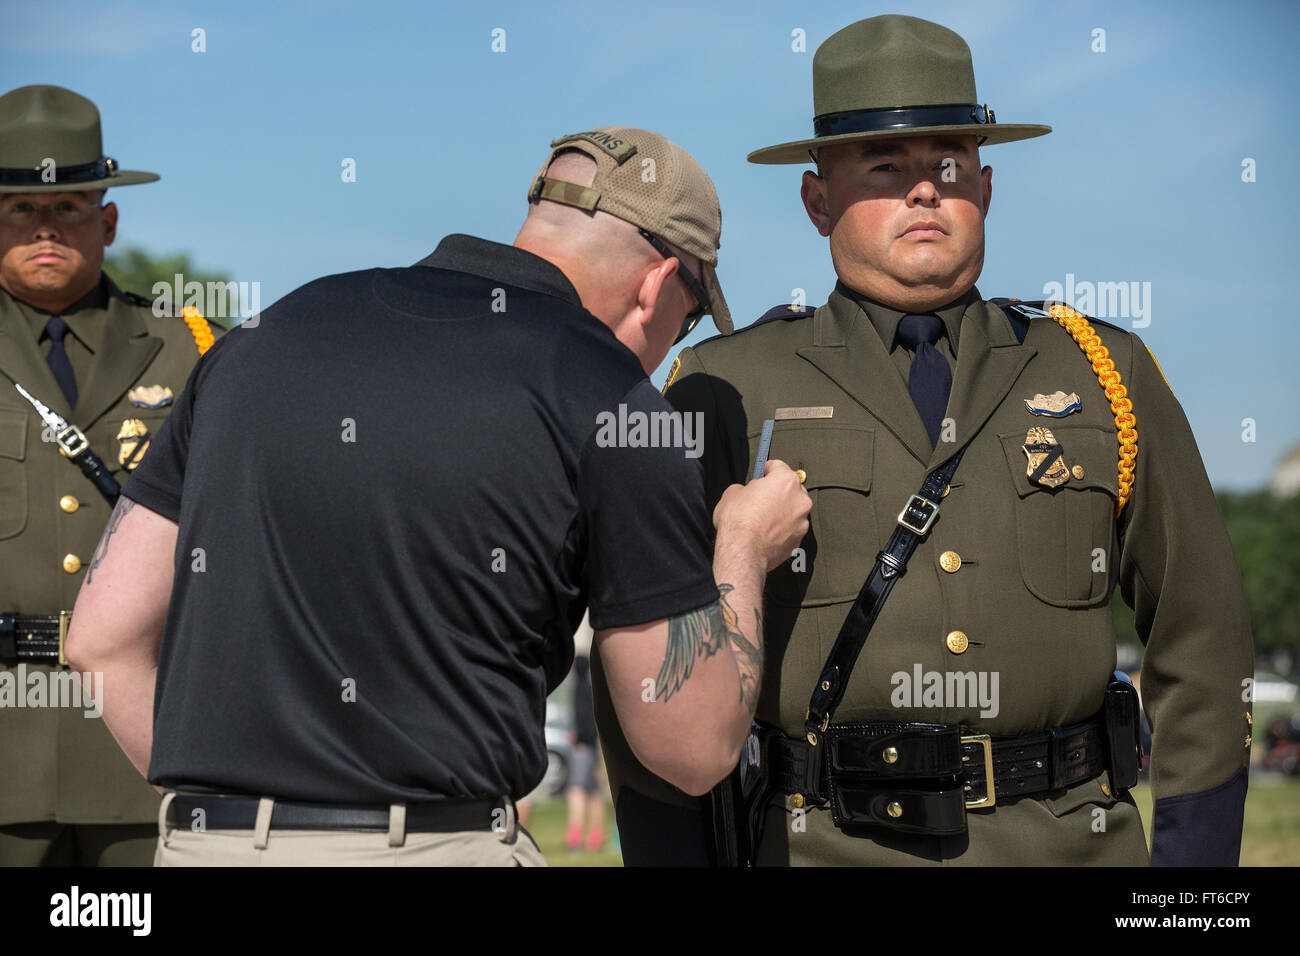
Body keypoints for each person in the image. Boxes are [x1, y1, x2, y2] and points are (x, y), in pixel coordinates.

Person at [594, 16, 1254, 867]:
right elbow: (652, 645)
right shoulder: (724, 387)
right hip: (821, 847)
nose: (924, 191)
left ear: (985, 187)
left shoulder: (1103, 370)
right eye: (884, 166)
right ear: (817, 201)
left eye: (948, 165)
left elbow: (1204, 631)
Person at [65, 127, 811, 866]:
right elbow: (691, 747)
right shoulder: (611, 398)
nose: (667, 350)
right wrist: (743, 547)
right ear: (657, 285)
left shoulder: (259, 338)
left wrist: (224, 814)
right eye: (684, 325)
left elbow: (98, 640)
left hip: (205, 847)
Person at [0, 85, 216, 866]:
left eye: (69, 205)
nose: (46, 226)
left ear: (110, 219)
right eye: (20, 207)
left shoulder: (195, 351)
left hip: (141, 742)